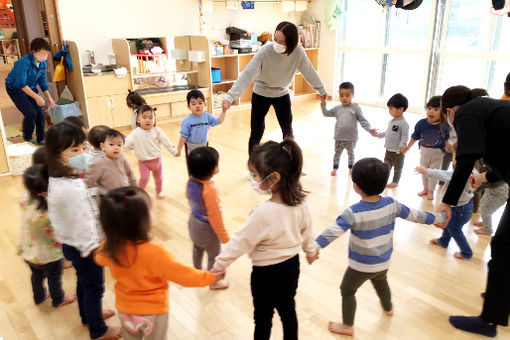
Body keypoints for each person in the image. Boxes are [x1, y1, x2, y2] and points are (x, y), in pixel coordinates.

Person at [315, 158, 445, 336]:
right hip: (383, 261)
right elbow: (417, 216)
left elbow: (333, 232)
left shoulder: (353, 212)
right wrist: (439, 219)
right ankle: (388, 307)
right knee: (381, 282)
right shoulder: (393, 204)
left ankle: (347, 326)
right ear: (384, 185)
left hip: (360, 265)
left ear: (356, 186)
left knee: (347, 290)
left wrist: (315, 246)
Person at [212, 138, 318, 340]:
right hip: (291, 267)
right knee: (288, 308)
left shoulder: (262, 213)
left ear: (274, 178)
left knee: (263, 316)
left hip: (265, 274)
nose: (253, 180)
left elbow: (240, 242)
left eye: (254, 175)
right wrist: (311, 251)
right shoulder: (301, 203)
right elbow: (307, 231)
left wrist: (219, 264)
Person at [94, 186, 221, 340]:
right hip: (153, 312)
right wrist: (210, 277)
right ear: (141, 222)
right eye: (150, 211)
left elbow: (98, 258)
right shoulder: (155, 253)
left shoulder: (109, 247)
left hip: (125, 308)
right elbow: (184, 276)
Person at [438, 85, 510, 337]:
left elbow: (465, 159)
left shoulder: (467, 113)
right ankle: (500, 298)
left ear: (449, 111)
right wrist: (486, 176)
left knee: (502, 249)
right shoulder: (488, 108)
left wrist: (446, 202)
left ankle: (489, 321)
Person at [45, 123, 121, 340]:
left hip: (72, 245)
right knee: (94, 289)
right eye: (75, 150)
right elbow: (83, 223)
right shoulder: (69, 189)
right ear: (58, 155)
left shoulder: (61, 177)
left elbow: (76, 219)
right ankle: (98, 330)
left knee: (83, 283)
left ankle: (88, 316)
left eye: (83, 147)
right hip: (86, 248)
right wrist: (96, 248)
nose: (82, 154)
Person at [221, 21, 327, 154]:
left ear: (291, 43)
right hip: (260, 94)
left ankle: (291, 163)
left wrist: (321, 89)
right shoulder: (265, 51)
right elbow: (246, 75)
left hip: (282, 94)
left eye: (281, 42)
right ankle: (254, 168)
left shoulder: (298, 51)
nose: (277, 43)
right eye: (275, 39)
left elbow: (309, 71)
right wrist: (230, 97)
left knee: (288, 131)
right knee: (257, 131)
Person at [18, 164, 76, 307]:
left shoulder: (25, 197)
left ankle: (39, 296)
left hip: (28, 251)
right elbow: (57, 235)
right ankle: (58, 299)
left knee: (36, 274)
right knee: (54, 277)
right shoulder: (48, 211)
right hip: (48, 255)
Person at [186, 146, 230, 290]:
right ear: (213, 170)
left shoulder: (191, 181)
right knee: (215, 256)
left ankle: (197, 273)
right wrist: (225, 238)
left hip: (193, 222)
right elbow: (216, 217)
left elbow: (188, 196)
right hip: (206, 228)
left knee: (197, 249)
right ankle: (214, 282)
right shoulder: (210, 190)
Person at [415, 166, 474, 259]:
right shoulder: (473, 171)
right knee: (449, 225)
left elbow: (443, 174)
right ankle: (443, 241)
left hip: (459, 209)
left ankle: (466, 253)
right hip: (464, 206)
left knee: (455, 230)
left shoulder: (463, 172)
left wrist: (426, 171)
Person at [320, 82, 377, 176]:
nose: (344, 98)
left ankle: (351, 169)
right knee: (337, 155)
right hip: (339, 137)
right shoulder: (337, 108)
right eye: (341, 95)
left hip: (351, 138)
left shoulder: (356, 108)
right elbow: (326, 113)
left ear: (353, 95)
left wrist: (370, 130)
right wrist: (323, 103)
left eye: (347, 95)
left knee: (351, 154)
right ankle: (335, 169)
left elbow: (363, 121)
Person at [5, 38, 55, 145]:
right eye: (42, 53)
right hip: (15, 88)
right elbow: (21, 84)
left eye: (46, 54)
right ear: (34, 51)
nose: (44, 56)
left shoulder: (42, 63)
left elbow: (42, 82)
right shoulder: (23, 63)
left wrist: (49, 98)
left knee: (40, 114)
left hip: (30, 87)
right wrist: (37, 97)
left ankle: (41, 139)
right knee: (31, 113)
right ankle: (27, 137)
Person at [125, 105, 179, 200]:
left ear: (154, 119)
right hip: (144, 162)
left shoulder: (157, 131)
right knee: (144, 178)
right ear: (137, 119)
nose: (148, 120)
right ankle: (138, 193)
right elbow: (126, 144)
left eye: (151, 117)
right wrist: (118, 153)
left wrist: (174, 151)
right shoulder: (135, 133)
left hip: (157, 160)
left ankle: (159, 192)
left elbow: (166, 142)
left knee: (159, 179)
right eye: (144, 117)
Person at [403, 96, 448, 200]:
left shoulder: (444, 125)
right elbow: (415, 136)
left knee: (434, 172)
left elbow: (447, 139)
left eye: (436, 110)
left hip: (438, 153)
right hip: (424, 151)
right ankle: (425, 188)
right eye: (429, 108)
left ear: (442, 112)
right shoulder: (421, 123)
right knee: (423, 171)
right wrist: (408, 147)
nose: (431, 112)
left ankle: (431, 191)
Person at [85, 129, 137, 195]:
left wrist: (135, 189)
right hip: (108, 197)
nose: (116, 148)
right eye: (111, 144)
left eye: (119, 145)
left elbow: (131, 176)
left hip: (124, 193)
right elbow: (88, 182)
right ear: (103, 146)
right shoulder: (98, 164)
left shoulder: (123, 159)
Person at [177, 90, 225, 158]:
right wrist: (179, 148)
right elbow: (183, 136)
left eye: (200, 103)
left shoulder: (207, 116)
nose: (197, 106)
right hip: (192, 147)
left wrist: (224, 111)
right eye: (193, 104)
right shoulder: (187, 121)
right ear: (188, 106)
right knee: (194, 166)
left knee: (204, 164)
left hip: (204, 145)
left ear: (204, 105)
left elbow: (219, 121)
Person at [375, 93, 409, 188]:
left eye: (391, 108)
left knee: (397, 168)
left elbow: (405, 136)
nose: (389, 111)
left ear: (401, 109)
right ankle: (384, 179)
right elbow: (388, 132)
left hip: (398, 152)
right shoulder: (392, 121)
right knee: (386, 167)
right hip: (388, 150)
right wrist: (379, 135)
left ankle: (395, 181)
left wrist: (403, 145)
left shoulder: (403, 123)